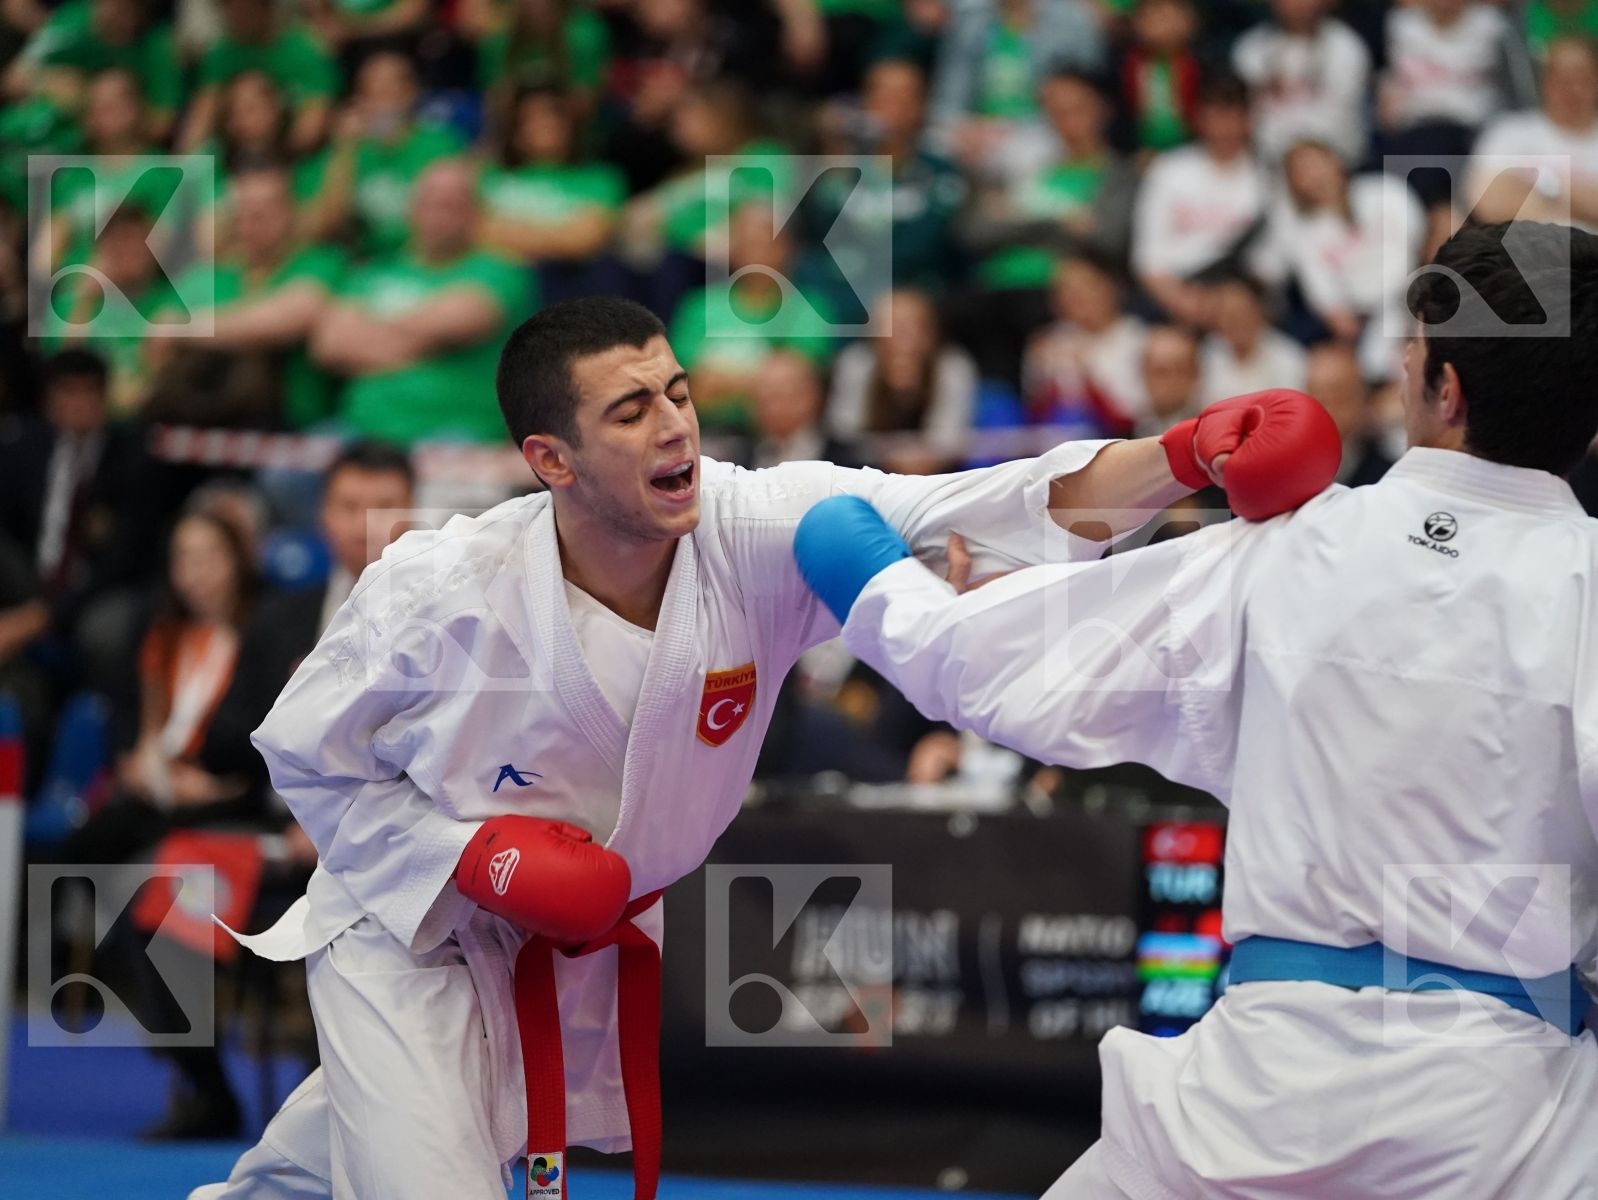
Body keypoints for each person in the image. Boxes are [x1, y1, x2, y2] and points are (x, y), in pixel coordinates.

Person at [189, 295, 1338, 1200]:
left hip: (576, 934)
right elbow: (306, 755)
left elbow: (980, 505)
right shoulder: (441, 589)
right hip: (414, 930)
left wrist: (1183, 454)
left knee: (312, 1175)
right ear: (551, 460)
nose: (673, 425)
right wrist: (472, 857)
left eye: (677, 392)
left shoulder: (754, 528)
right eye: (629, 411)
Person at [791, 220, 1598, 1199]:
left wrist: (868, 571)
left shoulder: (1295, 545)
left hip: (1247, 1110)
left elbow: (977, 664)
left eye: (1411, 350)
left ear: (1446, 387)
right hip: (1519, 1128)